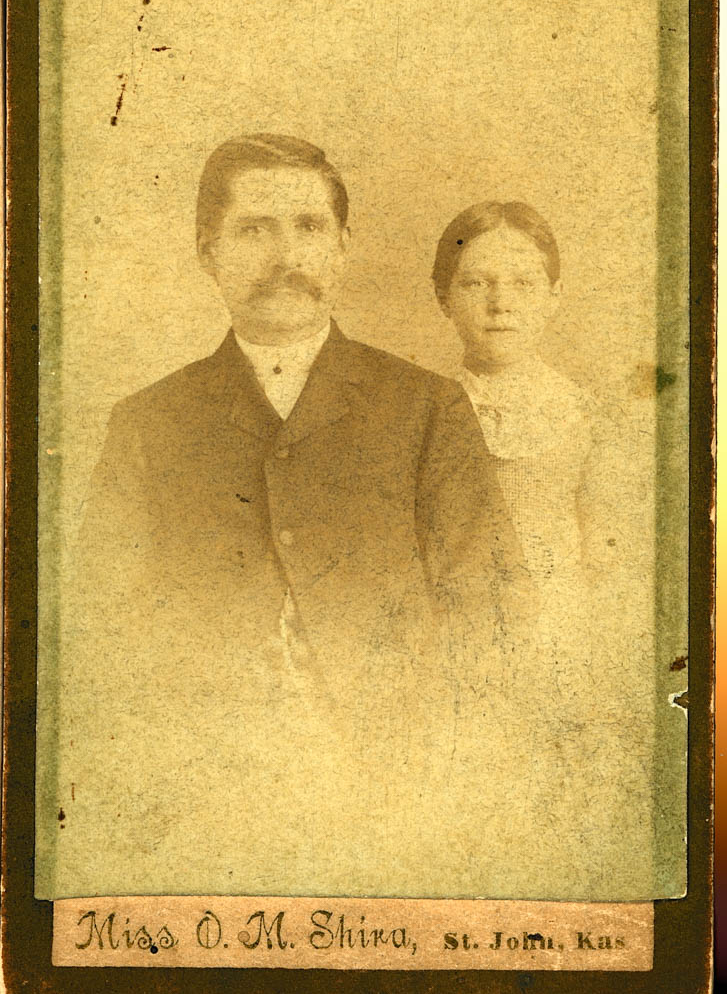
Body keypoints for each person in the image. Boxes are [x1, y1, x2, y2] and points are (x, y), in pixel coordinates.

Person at [42, 138, 527, 901]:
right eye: (253, 229)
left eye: (308, 227)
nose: (286, 256)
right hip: (206, 801)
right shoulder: (147, 423)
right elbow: (98, 631)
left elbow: (494, 612)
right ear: (208, 252)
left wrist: (444, 781)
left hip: (395, 793)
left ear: (341, 247)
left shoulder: (426, 408)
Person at [432, 200, 655, 899]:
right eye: (475, 282)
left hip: (562, 642)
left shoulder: (585, 414)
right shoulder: (421, 412)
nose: (500, 303)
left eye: (523, 283)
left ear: (554, 296)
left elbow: (610, 557)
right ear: (444, 296)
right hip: (451, 645)